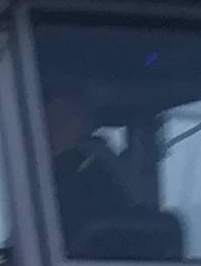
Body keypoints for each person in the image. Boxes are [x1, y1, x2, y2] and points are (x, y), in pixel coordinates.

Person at [43, 83, 152, 253]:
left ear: (84, 121)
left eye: (63, 118)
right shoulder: (104, 163)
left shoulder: (84, 167)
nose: (50, 126)